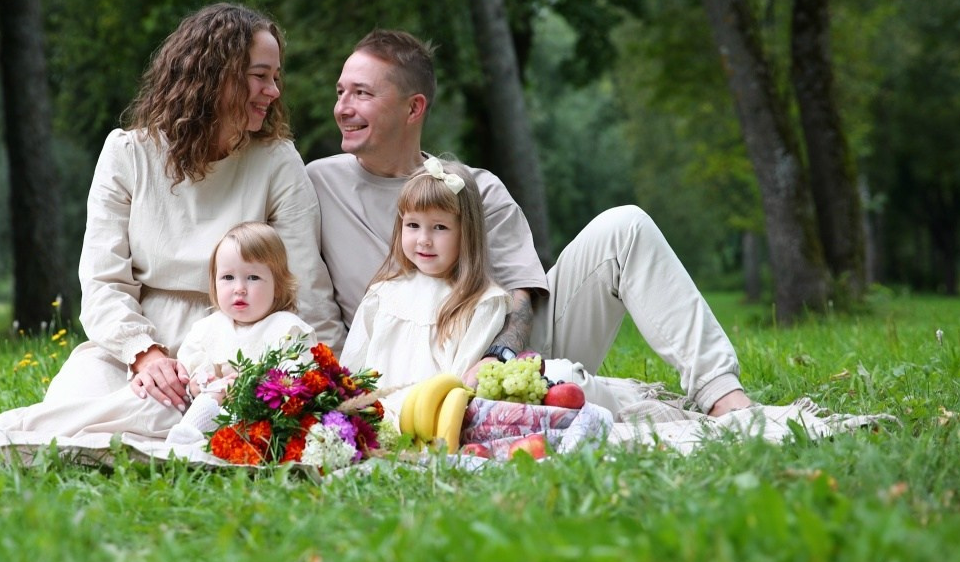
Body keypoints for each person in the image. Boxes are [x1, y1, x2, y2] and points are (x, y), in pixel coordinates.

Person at [307, 29, 753, 418]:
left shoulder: (475, 188)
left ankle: (723, 398)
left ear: (413, 108)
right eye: (340, 92)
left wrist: (497, 359)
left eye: (361, 93)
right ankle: (583, 393)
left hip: (502, 356)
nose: (342, 107)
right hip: (399, 371)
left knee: (626, 227)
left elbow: (521, 294)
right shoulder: (316, 185)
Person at [0, 3, 344, 441]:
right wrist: (145, 354)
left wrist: (329, 378)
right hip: (135, 346)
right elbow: (103, 282)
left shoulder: (277, 161)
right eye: (260, 75)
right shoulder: (128, 154)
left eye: (276, 77)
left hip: (239, 350)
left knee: (183, 413)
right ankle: (27, 430)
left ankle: (35, 431)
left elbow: (304, 282)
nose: (273, 91)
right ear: (215, 75)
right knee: (75, 400)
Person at [340, 157, 510, 416]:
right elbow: (351, 372)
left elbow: (459, 387)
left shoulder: (482, 303)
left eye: (439, 227)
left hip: (431, 422)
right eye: (413, 225)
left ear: (466, 232)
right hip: (372, 421)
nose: (423, 240)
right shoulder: (382, 295)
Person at [164, 222, 316, 445]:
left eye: (253, 277)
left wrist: (250, 387)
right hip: (215, 410)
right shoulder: (208, 328)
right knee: (210, 395)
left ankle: (226, 441)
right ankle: (187, 436)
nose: (239, 288)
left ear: (278, 286)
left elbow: (295, 378)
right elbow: (193, 368)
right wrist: (198, 383)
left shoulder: (287, 328)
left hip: (262, 415)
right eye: (228, 277)